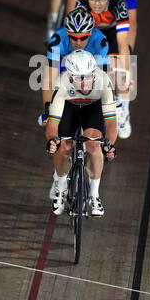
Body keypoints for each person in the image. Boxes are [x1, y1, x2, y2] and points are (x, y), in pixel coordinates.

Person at [45, 49, 117, 217]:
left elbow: (112, 122)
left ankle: (94, 194)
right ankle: (61, 187)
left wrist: (109, 144)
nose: (85, 83)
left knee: (93, 145)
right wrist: (52, 140)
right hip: (69, 108)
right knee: (63, 147)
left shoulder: (104, 81)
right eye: (78, 78)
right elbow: (53, 123)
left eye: (88, 76)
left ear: (94, 73)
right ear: (70, 77)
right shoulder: (61, 83)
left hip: (93, 109)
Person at [75, 0, 132, 139]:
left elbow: (122, 43)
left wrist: (125, 74)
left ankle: (123, 109)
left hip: (113, 34)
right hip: (93, 33)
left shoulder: (119, 3)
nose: (97, 4)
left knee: (117, 67)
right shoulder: (82, 3)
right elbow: (77, 39)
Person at [40, 6, 109, 126]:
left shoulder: (101, 43)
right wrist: (48, 107)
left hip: (90, 70)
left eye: (83, 37)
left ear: (90, 33)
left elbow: (102, 81)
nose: (78, 42)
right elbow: (49, 79)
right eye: (73, 37)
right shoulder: (57, 40)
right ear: (67, 33)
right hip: (65, 64)